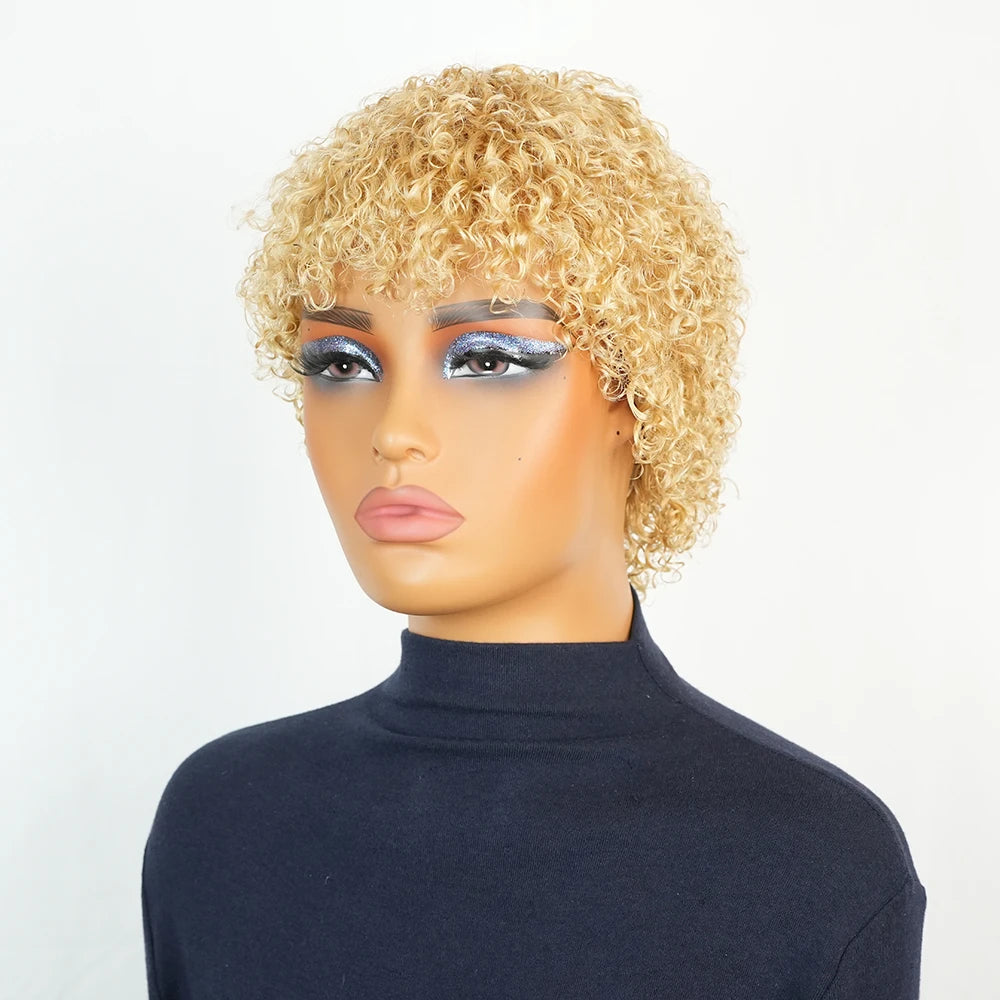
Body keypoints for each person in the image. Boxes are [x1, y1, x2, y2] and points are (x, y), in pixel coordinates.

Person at [140, 64, 926, 998]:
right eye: (343, 363)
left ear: (638, 395)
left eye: (486, 359)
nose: (394, 432)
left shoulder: (810, 863)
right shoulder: (224, 823)